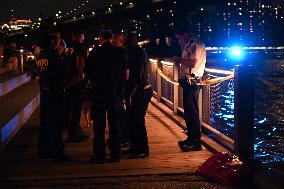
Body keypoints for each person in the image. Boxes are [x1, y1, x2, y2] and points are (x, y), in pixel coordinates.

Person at [85, 29, 129, 163]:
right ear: (111, 38)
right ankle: (115, 154)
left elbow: (87, 73)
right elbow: (126, 75)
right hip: (114, 93)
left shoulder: (95, 52)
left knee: (99, 125)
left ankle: (99, 155)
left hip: (98, 93)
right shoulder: (120, 52)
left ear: (101, 39)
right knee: (115, 124)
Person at [35, 33, 71, 161]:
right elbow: (64, 72)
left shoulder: (41, 56)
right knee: (57, 123)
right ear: (51, 42)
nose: (57, 42)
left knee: (44, 123)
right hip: (55, 93)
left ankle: (43, 151)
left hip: (44, 92)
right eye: (55, 40)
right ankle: (57, 152)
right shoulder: (53, 56)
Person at [174, 26, 206, 151]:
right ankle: (191, 138)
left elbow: (193, 63)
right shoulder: (189, 45)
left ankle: (196, 142)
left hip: (192, 82)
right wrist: (182, 47)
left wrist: (179, 59)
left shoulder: (195, 44)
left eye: (179, 38)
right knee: (189, 112)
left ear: (185, 34)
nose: (179, 40)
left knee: (192, 112)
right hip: (188, 82)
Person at [122, 34, 153, 159]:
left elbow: (138, 78)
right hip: (137, 91)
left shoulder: (138, 55)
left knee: (138, 120)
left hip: (141, 91)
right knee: (132, 119)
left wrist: (129, 95)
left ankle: (143, 149)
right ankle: (135, 147)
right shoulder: (136, 53)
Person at [65, 30, 89, 143]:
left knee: (74, 108)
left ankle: (75, 132)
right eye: (81, 35)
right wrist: (81, 76)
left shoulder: (71, 48)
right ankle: (74, 134)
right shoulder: (81, 48)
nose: (82, 37)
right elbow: (80, 62)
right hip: (78, 82)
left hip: (71, 80)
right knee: (77, 108)